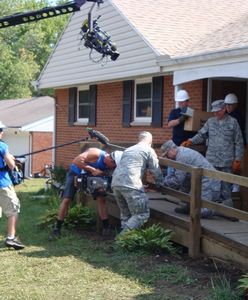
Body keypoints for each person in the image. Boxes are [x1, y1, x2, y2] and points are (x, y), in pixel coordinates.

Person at [181, 100, 244, 207]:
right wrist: (191, 141)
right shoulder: (210, 122)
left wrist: (238, 159)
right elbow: (201, 135)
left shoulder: (233, 122)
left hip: (226, 162)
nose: (216, 113)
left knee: (226, 190)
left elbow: (239, 142)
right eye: (214, 112)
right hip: (212, 162)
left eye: (218, 111)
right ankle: (209, 209)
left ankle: (227, 212)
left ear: (224, 109)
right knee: (210, 187)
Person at [50, 148, 123, 238]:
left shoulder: (109, 165)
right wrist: (92, 169)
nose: (113, 168)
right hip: (76, 173)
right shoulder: (95, 153)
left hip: (93, 177)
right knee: (67, 199)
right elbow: (76, 161)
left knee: (101, 198)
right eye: (114, 165)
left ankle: (106, 227)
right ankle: (57, 228)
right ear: (111, 160)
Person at [111, 131, 164, 234]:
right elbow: (155, 170)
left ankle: (125, 244)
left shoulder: (128, 149)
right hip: (131, 184)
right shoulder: (148, 150)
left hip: (116, 183)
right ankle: (120, 240)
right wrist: (160, 184)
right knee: (141, 214)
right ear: (150, 141)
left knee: (126, 214)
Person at [161, 140, 221, 218]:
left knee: (201, 212)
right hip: (198, 178)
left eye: (167, 154)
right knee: (191, 205)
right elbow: (182, 179)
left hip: (208, 179)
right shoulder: (179, 154)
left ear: (172, 150)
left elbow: (178, 180)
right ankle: (188, 207)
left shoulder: (182, 157)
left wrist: (163, 183)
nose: (167, 157)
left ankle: (221, 210)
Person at [0, 121, 25, 250]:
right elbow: (11, 165)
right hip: (2, 183)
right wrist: (13, 161)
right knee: (13, 210)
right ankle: (11, 238)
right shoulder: (2, 146)